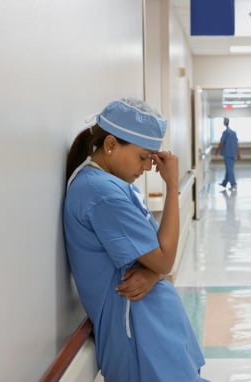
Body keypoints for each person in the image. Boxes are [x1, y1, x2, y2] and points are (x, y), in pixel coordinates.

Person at [63, 97, 208, 382]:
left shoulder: (110, 186)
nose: (147, 168)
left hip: (151, 321)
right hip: (139, 329)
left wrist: (153, 272)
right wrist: (171, 185)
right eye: (143, 157)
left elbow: (153, 257)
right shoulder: (103, 193)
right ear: (111, 145)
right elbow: (164, 258)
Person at [216, 117, 240, 191]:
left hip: (227, 153)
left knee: (229, 169)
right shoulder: (234, 133)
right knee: (229, 168)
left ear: (224, 123)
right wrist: (238, 153)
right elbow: (237, 144)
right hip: (233, 153)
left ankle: (233, 184)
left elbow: (221, 143)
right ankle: (224, 183)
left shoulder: (225, 132)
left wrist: (217, 150)